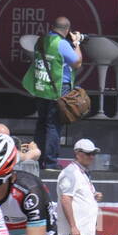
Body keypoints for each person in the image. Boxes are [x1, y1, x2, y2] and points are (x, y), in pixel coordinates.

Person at [22, 17, 82, 170]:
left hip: (41, 87)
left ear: (52, 26)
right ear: (67, 30)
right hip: (58, 89)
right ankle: (50, 162)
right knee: (54, 125)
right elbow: (77, 62)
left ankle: (38, 158)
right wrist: (76, 43)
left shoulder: (41, 41)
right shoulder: (62, 44)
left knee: (42, 124)